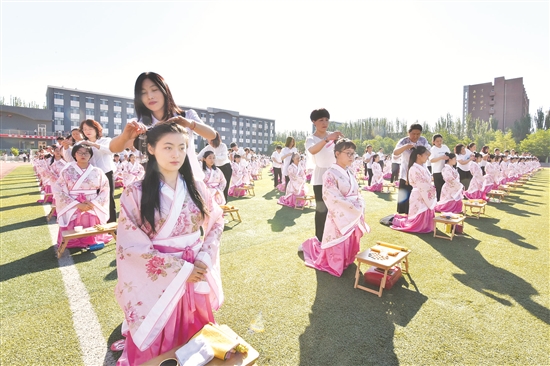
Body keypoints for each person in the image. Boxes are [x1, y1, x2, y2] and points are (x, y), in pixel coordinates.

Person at [114, 122, 223, 366]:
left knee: (198, 342)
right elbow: (130, 247)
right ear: (151, 148)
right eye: (168, 147)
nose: (176, 154)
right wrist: (182, 270)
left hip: (196, 267)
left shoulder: (197, 187)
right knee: (161, 332)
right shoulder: (135, 192)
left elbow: (216, 222)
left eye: (182, 147)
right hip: (164, 276)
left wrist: (204, 258)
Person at [109, 72, 216, 182]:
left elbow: (212, 135)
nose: (150, 96)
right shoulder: (138, 124)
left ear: (165, 90)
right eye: (143, 93)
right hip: (157, 185)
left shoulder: (186, 115)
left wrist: (189, 124)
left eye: (154, 90)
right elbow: (113, 148)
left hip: (191, 181)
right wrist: (125, 137)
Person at [300, 138, 369, 277]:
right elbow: (332, 198)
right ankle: (335, 262)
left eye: (353, 154)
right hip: (339, 215)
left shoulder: (350, 172)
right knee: (338, 238)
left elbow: (356, 192)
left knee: (348, 237)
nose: (351, 157)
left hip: (351, 209)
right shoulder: (329, 174)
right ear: (337, 153)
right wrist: (355, 207)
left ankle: (347, 259)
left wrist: (359, 202)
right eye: (348, 153)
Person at [52, 144, 112, 249]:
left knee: (91, 219)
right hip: (73, 201)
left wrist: (94, 203)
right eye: (79, 152)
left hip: (92, 202)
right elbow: (58, 189)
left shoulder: (98, 171)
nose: (83, 155)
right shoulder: (67, 171)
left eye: (86, 153)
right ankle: (73, 240)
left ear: (90, 155)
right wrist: (77, 204)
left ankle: (92, 239)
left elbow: (105, 189)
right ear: (74, 154)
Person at [305, 108, 343, 241]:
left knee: (336, 208)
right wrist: (327, 139)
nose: (324, 122)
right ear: (314, 122)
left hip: (336, 176)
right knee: (322, 210)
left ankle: (335, 237)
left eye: (327, 120)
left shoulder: (334, 137)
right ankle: (320, 240)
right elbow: (313, 150)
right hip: (320, 177)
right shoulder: (311, 139)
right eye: (321, 120)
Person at [391, 146, 436, 233]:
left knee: (424, 212)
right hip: (418, 194)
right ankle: (396, 220)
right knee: (416, 219)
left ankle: (425, 225)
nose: (427, 157)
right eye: (426, 155)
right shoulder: (414, 168)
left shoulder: (423, 167)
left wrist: (430, 188)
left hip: (424, 192)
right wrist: (431, 189)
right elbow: (421, 183)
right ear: (419, 156)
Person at [393, 124, 431, 214]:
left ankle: (418, 215)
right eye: (413, 134)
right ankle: (405, 215)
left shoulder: (423, 140)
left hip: (419, 173)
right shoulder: (403, 141)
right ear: (408, 133)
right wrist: (406, 146)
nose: (415, 136)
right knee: (405, 197)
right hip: (406, 173)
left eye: (418, 134)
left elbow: (429, 152)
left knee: (419, 196)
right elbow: (395, 153)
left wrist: (420, 150)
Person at [197, 132, 232, 202]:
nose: (209, 142)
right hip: (214, 168)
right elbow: (198, 157)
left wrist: (212, 157)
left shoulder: (223, 146)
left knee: (224, 186)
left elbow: (224, 157)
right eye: (208, 140)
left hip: (225, 167)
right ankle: (213, 203)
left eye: (210, 140)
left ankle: (223, 204)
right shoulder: (207, 147)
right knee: (213, 186)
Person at [429, 134, 450, 201]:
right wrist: (441, 157)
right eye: (437, 141)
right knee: (439, 188)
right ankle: (439, 202)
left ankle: (446, 202)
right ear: (433, 142)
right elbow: (431, 160)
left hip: (446, 171)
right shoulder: (432, 149)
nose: (439, 142)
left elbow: (450, 155)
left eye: (440, 141)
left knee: (446, 188)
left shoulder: (445, 147)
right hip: (437, 171)